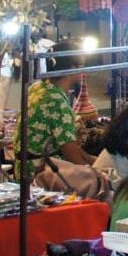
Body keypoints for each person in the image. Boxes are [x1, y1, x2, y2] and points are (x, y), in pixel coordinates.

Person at [23, 59, 106, 197]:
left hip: (25, 166)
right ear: (71, 68)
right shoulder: (56, 100)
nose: (83, 69)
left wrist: (93, 161)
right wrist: (92, 175)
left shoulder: (38, 87)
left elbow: (71, 145)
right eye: (80, 65)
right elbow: (70, 152)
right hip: (42, 172)